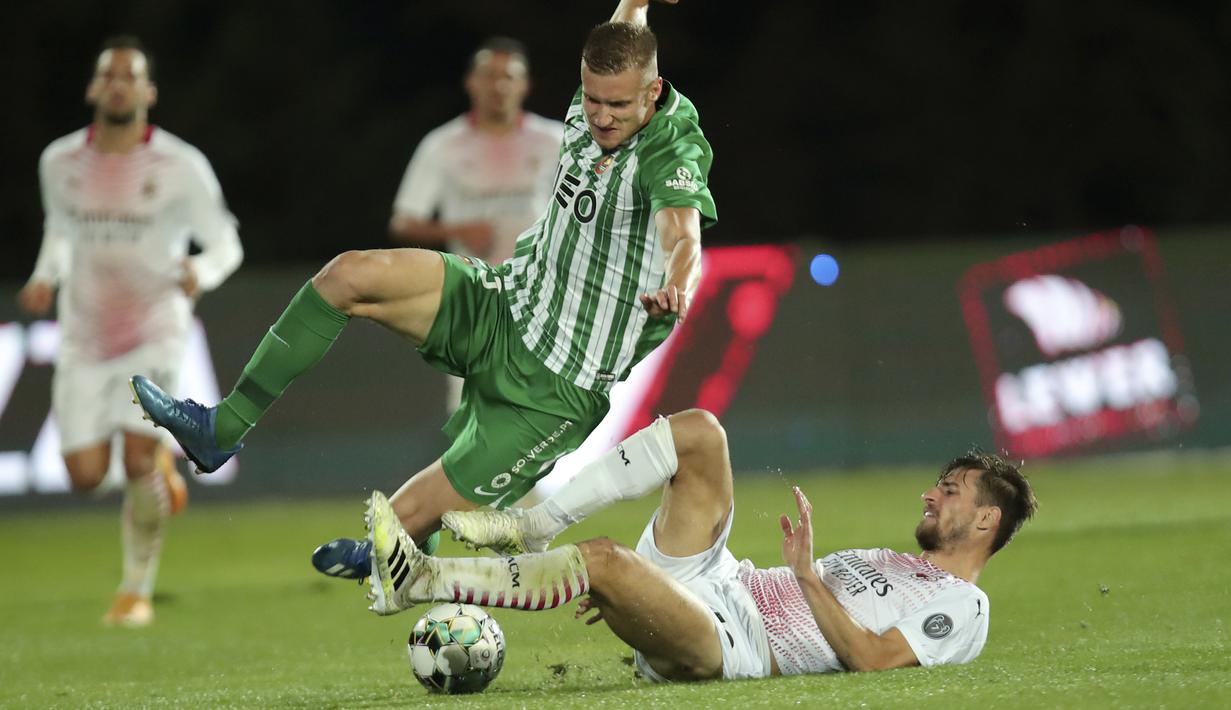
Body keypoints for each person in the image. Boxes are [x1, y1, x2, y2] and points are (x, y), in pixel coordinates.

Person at [131, 0, 714, 571]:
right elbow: (627, 25)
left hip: (554, 391)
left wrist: (679, 284)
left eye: (617, 105)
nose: (601, 117)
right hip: (504, 301)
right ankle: (220, 430)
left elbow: (681, 234)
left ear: (653, 92)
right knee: (347, 275)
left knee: (397, 529)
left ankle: (399, 550)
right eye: (591, 99)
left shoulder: (669, 151)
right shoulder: (611, 79)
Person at [365, 409, 1038, 682]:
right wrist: (645, 598)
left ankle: (420, 580)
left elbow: (872, 660)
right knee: (698, 433)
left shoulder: (962, 608)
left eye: (950, 490)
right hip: (719, 582)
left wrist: (805, 575)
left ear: (985, 523)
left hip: (734, 643)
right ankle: (537, 524)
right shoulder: (893, 562)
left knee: (601, 558)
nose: (930, 493)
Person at [18, 36, 243, 627]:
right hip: (84, 335)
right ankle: (161, 470)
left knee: (138, 460)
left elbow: (226, 241)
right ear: (94, 88)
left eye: (130, 75)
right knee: (85, 475)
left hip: (155, 328)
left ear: (148, 92)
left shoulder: (180, 164)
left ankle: (134, 590)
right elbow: (61, 230)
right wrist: (45, 277)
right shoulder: (58, 161)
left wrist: (203, 269)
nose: (118, 83)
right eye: (107, 74)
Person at [389, 37, 564, 413]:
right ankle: (474, 471)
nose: (498, 85)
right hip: (474, 294)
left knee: (545, 402)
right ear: (471, 82)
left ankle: (550, 475)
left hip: (543, 291)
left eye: (508, 76)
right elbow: (403, 222)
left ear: (525, 85)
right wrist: (457, 230)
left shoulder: (555, 140)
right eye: (488, 75)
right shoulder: (442, 145)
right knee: (474, 407)